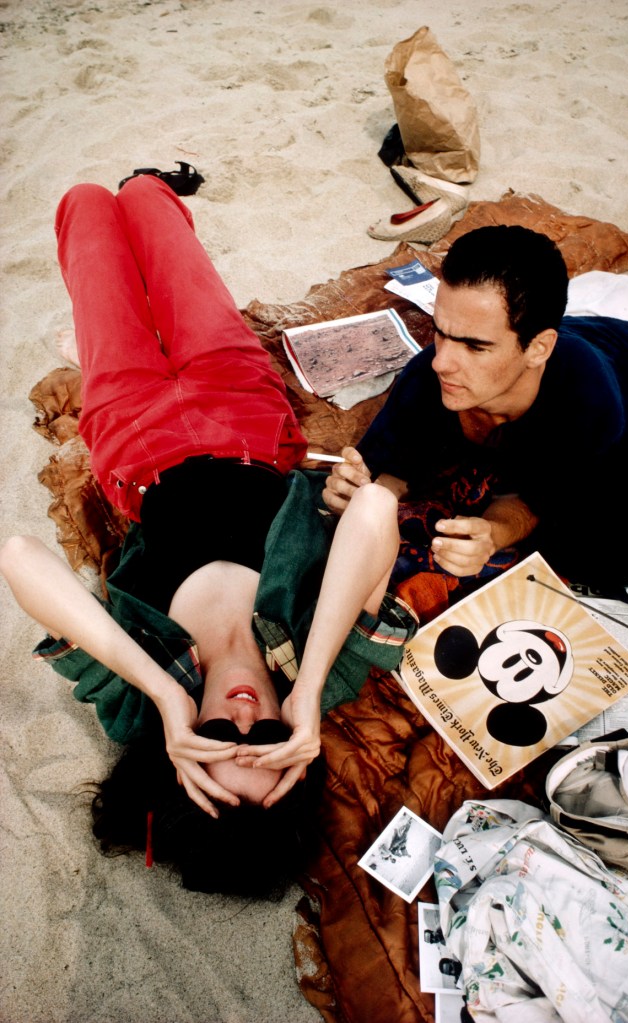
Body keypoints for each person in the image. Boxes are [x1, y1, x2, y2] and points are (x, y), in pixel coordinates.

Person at [0, 176, 417, 896]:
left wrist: (165, 693)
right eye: (269, 741)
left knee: (84, 208)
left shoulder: (141, 702)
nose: (247, 715)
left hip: (132, 434)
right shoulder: (321, 677)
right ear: (300, 748)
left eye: (222, 737)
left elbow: (18, 558)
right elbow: (375, 512)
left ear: (181, 753)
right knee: (149, 211)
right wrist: (310, 685)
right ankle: (154, 184)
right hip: (244, 413)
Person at [323, 225, 628, 601]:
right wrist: (357, 492)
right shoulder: (426, 373)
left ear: (539, 349)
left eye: (475, 347)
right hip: (560, 315)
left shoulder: (588, 403)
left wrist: (492, 534)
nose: (442, 363)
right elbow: (392, 472)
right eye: (440, 332)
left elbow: (541, 502)